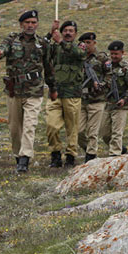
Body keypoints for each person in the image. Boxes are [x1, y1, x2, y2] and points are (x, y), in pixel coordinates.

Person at [0, 10, 55, 173]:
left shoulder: (42, 43)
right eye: (27, 22)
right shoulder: (12, 39)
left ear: (37, 24)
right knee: (15, 128)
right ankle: (17, 154)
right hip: (14, 90)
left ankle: (24, 159)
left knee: (30, 125)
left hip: (34, 90)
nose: (30, 25)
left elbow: (48, 68)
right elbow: (2, 48)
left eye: (33, 22)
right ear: (21, 24)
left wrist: (53, 87)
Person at [46, 20, 87, 168]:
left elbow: (80, 55)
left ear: (75, 34)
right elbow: (42, 50)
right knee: (51, 126)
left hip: (72, 94)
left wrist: (61, 42)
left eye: (71, 31)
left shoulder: (80, 47)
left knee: (72, 128)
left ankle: (70, 156)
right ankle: (55, 154)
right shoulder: (55, 47)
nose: (68, 33)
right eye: (65, 30)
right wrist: (50, 33)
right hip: (55, 93)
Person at [98, 41, 128, 156]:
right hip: (107, 103)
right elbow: (104, 80)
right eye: (112, 54)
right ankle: (120, 148)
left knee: (116, 132)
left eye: (116, 54)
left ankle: (114, 154)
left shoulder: (127, 68)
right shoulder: (107, 66)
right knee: (104, 133)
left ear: (122, 53)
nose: (114, 56)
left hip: (120, 104)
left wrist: (125, 99)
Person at [77, 32, 108, 163]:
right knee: (78, 131)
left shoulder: (102, 58)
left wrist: (102, 84)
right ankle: (87, 149)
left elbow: (110, 75)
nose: (86, 45)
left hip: (97, 99)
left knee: (93, 131)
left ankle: (91, 155)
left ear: (94, 43)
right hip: (82, 98)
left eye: (89, 42)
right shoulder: (79, 57)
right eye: (84, 43)